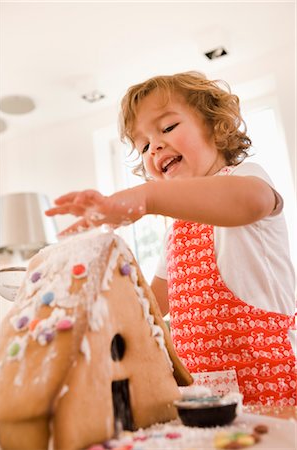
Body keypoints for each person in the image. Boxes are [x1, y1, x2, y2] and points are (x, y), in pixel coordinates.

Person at [46, 71, 296, 406]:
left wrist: (146, 198)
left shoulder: (245, 178)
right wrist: (90, 307)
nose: (155, 147)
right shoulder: (176, 230)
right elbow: (150, 306)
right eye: (144, 145)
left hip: (273, 388)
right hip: (205, 397)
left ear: (214, 124)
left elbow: (250, 202)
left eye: (167, 128)